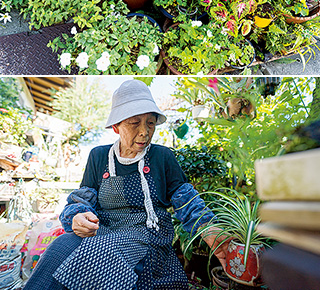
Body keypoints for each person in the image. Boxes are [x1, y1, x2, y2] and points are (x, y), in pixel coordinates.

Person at [23, 80, 230, 290]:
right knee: (60, 246)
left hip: (146, 235)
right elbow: (80, 201)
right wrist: (77, 216)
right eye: (134, 122)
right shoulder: (99, 156)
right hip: (104, 231)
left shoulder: (162, 157)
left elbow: (187, 201)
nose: (144, 132)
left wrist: (210, 230)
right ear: (116, 127)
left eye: (150, 123)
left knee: (97, 254)